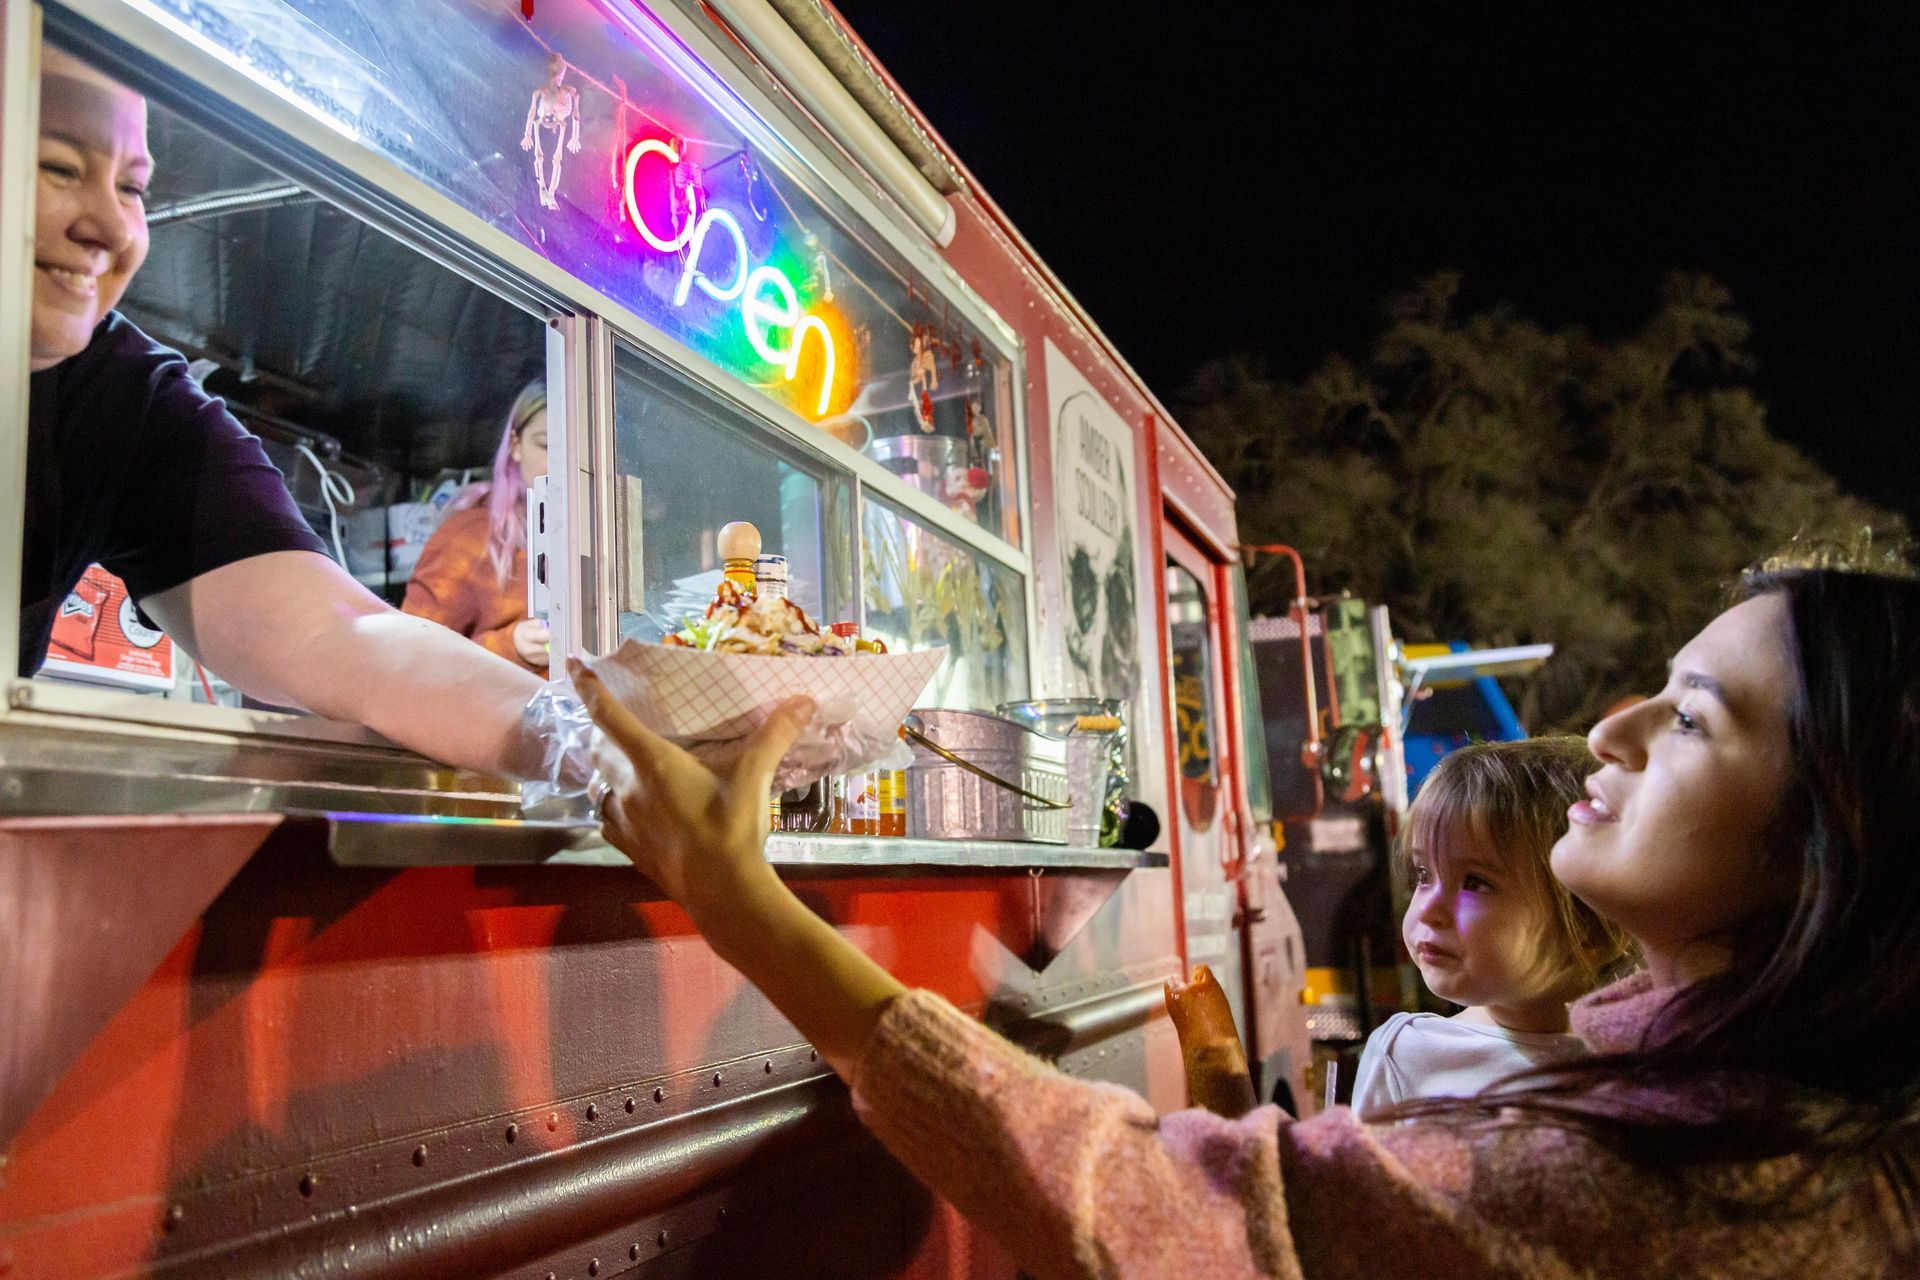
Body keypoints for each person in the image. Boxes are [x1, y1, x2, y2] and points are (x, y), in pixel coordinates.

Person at [573, 560, 1920, 1278]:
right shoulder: (1801, 1131)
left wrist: (741, 905)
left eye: (1690, 718)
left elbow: (1159, 1214)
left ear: (1825, 849)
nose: (1613, 726)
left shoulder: (1675, 1187)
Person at [22, 46, 545, 776]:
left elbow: (341, 636)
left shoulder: (121, 397)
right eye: (60, 167)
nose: (111, 230)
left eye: (133, 187)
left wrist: (600, 746)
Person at [1350, 737, 1633, 1114]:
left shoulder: (1645, 1063)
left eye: (1475, 883)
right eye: (1423, 874)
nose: (1429, 910)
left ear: (1590, 929)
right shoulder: (1406, 1055)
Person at [402, 382, 551, 674]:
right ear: (515, 446)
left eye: (580, 451)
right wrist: (512, 646)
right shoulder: (470, 536)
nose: (563, 462)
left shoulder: (608, 541)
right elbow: (414, 657)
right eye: (546, 445)